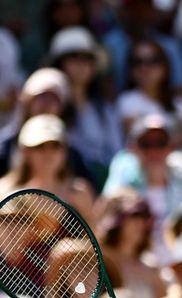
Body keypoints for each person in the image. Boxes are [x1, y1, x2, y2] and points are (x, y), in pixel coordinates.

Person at [50, 26, 124, 186]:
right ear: (59, 63)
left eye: (87, 59)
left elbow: (117, 154)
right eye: (74, 58)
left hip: (101, 183)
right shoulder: (50, 106)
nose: (81, 64)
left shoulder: (104, 110)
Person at [0, 114, 96, 222]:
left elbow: (93, 234)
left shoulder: (80, 191)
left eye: (55, 145)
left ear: (65, 151)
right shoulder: (4, 191)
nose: (48, 153)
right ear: (25, 152)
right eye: (40, 146)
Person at [101, 112, 182, 226]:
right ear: (133, 148)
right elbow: (105, 211)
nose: (153, 151)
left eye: (160, 143)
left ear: (171, 146)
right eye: (145, 144)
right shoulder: (123, 167)